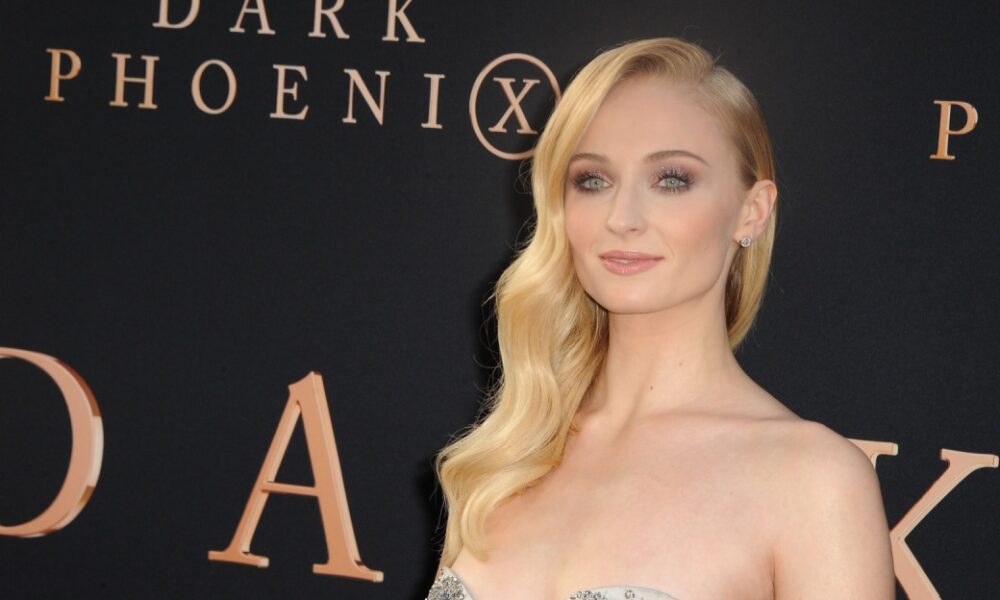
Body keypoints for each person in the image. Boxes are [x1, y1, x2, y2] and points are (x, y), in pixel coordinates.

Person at [426, 37, 894, 600]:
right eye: (592, 180)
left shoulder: (812, 481)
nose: (622, 218)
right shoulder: (510, 452)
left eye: (671, 179)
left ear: (752, 212)